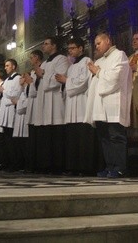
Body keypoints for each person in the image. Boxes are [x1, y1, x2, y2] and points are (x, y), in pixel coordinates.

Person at [86, 32, 132, 178]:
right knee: (104, 138)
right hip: (100, 106)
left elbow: (116, 77)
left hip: (113, 104)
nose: (97, 46)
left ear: (108, 41)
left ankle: (120, 168)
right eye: (95, 44)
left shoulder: (120, 55)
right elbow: (94, 84)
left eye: (99, 43)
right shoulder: (100, 60)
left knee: (116, 136)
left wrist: (97, 71)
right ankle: (110, 166)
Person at [54, 38, 96, 175]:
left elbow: (83, 82)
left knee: (83, 137)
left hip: (82, 103)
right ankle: (74, 167)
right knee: (73, 137)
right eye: (69, 48)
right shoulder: (72, 66)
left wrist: (67, 81)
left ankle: (85, 167)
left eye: (73, 48)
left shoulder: (87, 61)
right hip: (71, 105)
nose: (70, 51)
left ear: (81, 48)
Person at [38, 36, 69, 173]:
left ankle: (58, 165)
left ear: (54, 45)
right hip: (45, 102)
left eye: (46, 44)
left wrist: (43, 76)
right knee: (46, 136)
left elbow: (58, 79)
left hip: (56, 101)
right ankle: (47, 164)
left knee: (57, 135)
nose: (43, 46)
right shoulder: (44, 63)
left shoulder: (61, 59)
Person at [0, 59, 22, 172]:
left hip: (12, 111)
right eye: (5, 66)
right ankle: (6, 162)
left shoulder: (18, 78)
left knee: (12, 140)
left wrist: (3, 91)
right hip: (5, 111)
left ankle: (14, 163)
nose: (5, 68)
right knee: (5, 140)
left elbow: (16, 94)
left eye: (7, 66)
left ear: (14, 66)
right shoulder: (6, 80)